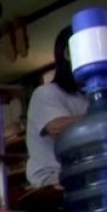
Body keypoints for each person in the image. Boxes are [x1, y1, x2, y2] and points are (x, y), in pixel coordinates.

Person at [26, 25, 89, 188]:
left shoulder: (86, 97)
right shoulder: (46, 93)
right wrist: (98, 116)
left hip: (84, 174)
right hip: (53, 180)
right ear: (68, 54)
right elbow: (56, 126)